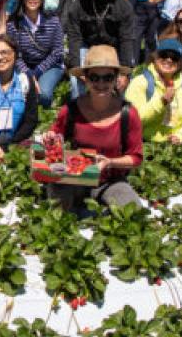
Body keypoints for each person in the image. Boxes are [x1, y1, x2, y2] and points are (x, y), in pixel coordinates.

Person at [41, 45, 144, 212]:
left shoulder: (128, 113)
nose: (101, 83)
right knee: (56, 209)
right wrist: (51, 138)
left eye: (108, 77)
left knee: (134, 213)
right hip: (76, 177)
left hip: (111, 181)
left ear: (116, 78)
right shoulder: (71, 110)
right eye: (95, 77)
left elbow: (136, 157)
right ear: (85, 79)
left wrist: (110, 162)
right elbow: (55, 137)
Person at [64, 0, 139, 98]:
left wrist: (124, 72)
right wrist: (77, 68)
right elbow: (74, 38)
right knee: (76, 82)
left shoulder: (123, 6)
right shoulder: (79, 4)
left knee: (124, 84)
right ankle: (79, 113)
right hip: (87, 47)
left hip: (115, 48)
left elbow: (126, 39)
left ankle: (119, 114)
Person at [124, 39, 182, 145]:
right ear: (155, 57)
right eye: (164, 55)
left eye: (175, 57)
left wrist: (180, 135)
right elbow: (131, 120)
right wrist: (161, 103)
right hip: (144, 144)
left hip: (178, 145)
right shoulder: (140, 82)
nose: (169, 60)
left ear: (180, 63)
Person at [6, 0, 66, 107]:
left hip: (51, 65)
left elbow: (58, 52)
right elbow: (13, 53)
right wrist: (28, 73)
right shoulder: (13, 24)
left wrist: (37, 72)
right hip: (24, 65)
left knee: (43, 95)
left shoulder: (53, 21)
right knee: (18, 93)